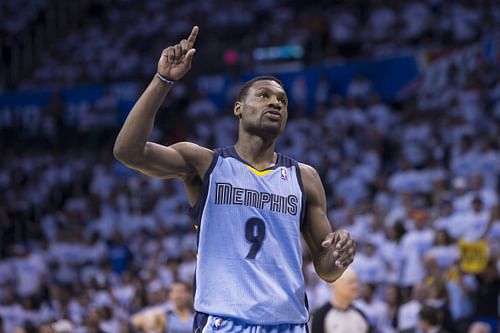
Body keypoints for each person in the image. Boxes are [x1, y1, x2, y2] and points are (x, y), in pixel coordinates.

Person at [113, 25, 356, 332]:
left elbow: (327, 270)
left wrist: (338, 254)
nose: (275, 103)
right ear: (238, 108)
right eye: (264, 96)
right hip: (224, 322)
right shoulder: (205, 163)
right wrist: (163, 81)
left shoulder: (304, 177)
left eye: (282, 100)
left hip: (289, 323)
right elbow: (128, 151)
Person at [311, 268, 372, 333]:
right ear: (335, 284)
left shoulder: (360, 314)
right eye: (350, 282)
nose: (355, 286)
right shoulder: (320, 316)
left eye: (356, 282)